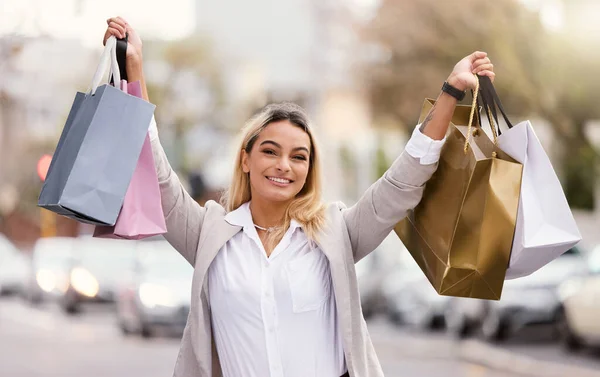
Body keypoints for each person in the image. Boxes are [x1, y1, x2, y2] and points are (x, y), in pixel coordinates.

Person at [104, 16, 495, 377]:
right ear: (245, 159)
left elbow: (399, 185)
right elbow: (158, 180)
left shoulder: (335, 232)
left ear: (309, 169)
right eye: (270, 151)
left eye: (299, 157)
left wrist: (449, 92)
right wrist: (133, 70)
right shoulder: (208, 232)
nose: (284, 166)